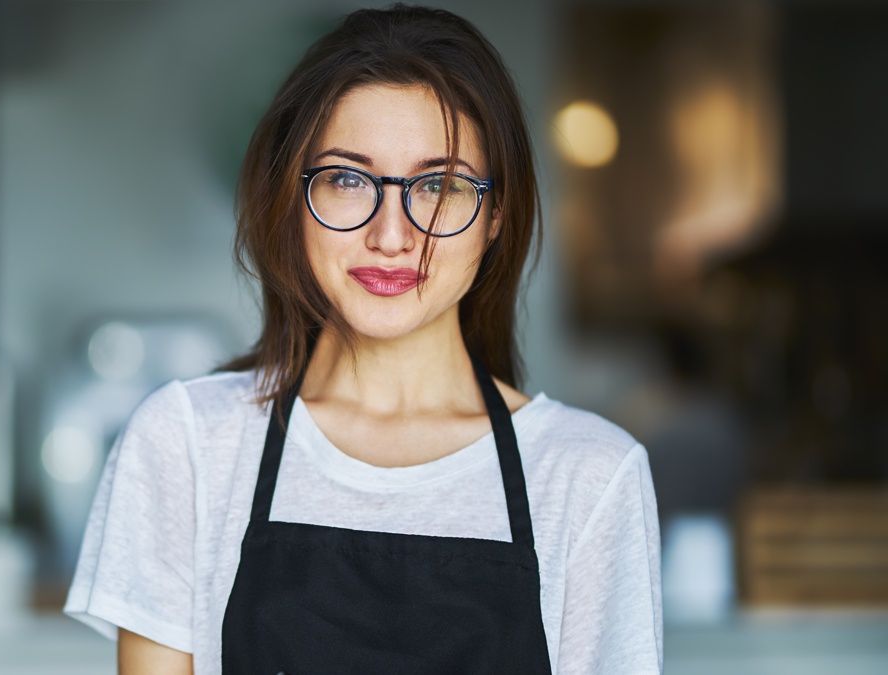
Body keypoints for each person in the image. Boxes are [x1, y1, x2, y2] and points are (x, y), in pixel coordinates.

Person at [64, 4, 663, 673]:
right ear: (292, 198)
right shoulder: (188, 447)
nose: (391, 234)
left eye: (438, 184)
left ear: (496, 214)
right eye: (349, 179)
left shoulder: (588, 476)